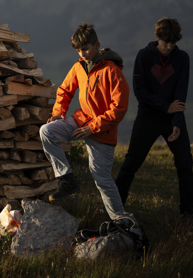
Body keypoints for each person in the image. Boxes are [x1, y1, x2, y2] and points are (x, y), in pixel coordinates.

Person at [39, 23, 129, 220]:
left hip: (102, 131)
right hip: (80, 121)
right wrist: (57, 113)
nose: (83, 53)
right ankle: (66, 179)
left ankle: (122, 221)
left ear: (97, 45)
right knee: (47, 131)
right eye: (79, 50)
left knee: (102, 180)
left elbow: (119, 108)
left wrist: (92, 128)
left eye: (86, 48)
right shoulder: (79, 67)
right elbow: (64, 90)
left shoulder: (112, 71)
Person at [115, 17, 193, 215]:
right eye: (166, 42)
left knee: (185, 164)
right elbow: (139, 92)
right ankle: (114, 209)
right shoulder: (144, 56)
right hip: (147, 117)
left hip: (173, 118)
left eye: (173, 43)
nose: (169, 46)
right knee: (130, 164)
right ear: (157, 37)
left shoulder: (183, 58)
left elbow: (181, 93)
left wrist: (176, 122)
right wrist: (165, 107)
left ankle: (187, 214)